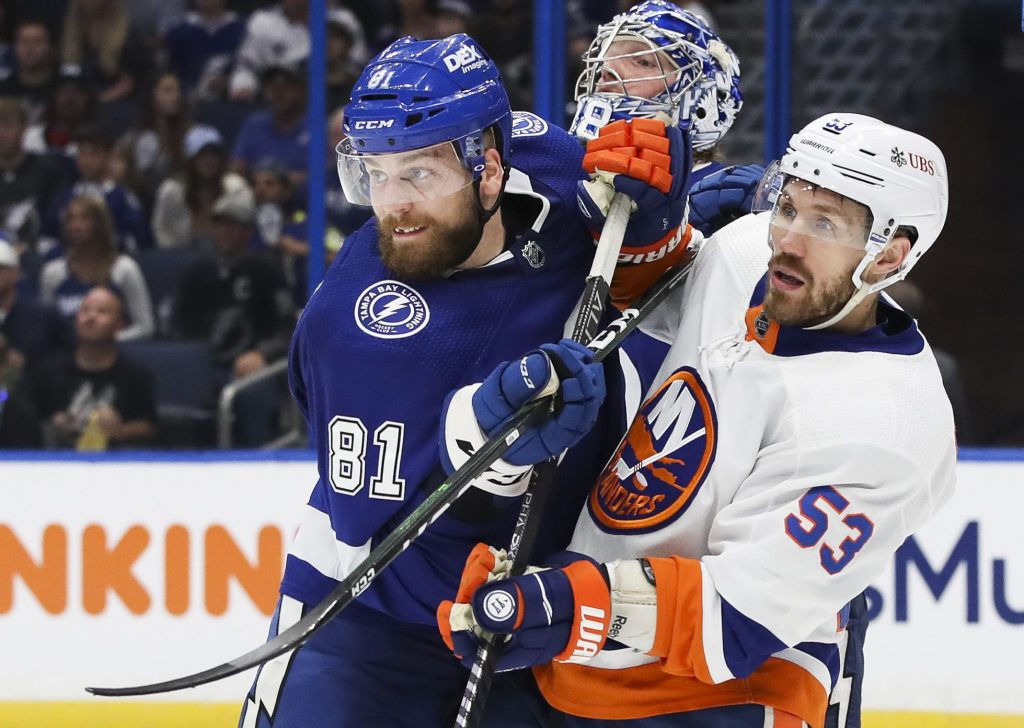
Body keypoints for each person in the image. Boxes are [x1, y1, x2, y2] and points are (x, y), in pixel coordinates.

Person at [440, 113, 957, 728]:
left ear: (889, 255)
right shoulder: (749, 251)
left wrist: (568, 602)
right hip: (582, 667)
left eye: (825, 224)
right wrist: (649, 237)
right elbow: (658, 301)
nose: (788, 241)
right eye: (788, 207)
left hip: (722, 701)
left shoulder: (887, 429)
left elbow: (735, 618)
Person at [237, 32, 692, 728]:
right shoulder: (351, 330)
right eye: (375, 174)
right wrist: (493, 439)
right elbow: (384, 531)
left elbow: (648, 252)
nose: (394, 203)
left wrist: (666, 224)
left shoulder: (543, 157)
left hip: (531, 620)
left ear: (490, 168)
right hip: (369, 626)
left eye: (418, 172)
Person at [573, 0, 763, 240]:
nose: (606, 70)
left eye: (642, 61)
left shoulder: (724, 199)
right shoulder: (565, 164)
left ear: (700, 101)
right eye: (606, 57)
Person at [30, 284, 157, 449]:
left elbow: (151, 427)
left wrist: (121, 430)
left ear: (119, 324)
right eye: (84, 311)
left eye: (102, 312)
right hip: (55, 459)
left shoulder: (135, 375)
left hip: (116, 459)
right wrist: (51, 427)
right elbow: (25, 419)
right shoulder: (47, 372)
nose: (90, 318)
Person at [39, 194, 154, 340]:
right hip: (67, 350)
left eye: (84, 219)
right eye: (71, 219)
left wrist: (103, 341)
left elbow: (145, 326)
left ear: (100, 224)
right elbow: (45, 326)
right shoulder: (53, 272)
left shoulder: (124, 269)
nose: (75, 226)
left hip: (112, 348)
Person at [152, 123, 253, 250]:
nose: (209, 160)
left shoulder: (237, 188)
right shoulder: (171, 191)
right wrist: (172, 255)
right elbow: (161, 228)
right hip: (179, 255)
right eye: (202, 154)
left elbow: (246, 228)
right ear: (190, 158)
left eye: (214, 154)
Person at [0, 237, 71, 381]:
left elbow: (70, 355)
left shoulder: (44, 315)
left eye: (1, 269)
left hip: (37, 387)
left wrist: (30, 364)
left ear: (16, 272)